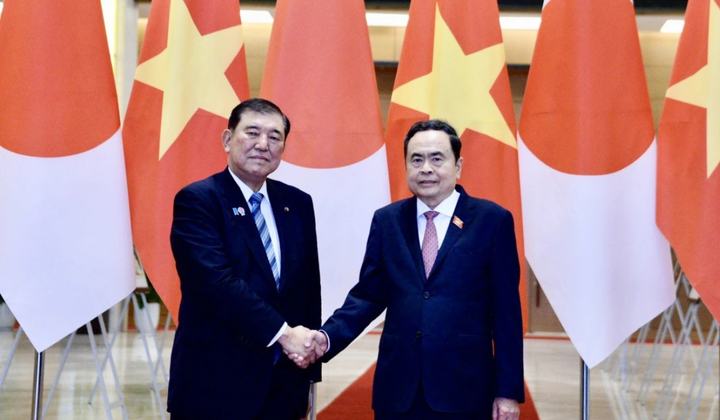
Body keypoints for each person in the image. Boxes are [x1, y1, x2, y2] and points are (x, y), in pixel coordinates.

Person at [299, 120, 524, 420]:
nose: (426, 169)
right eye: (416, 160)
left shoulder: (491, 221)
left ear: (458, 166)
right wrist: (326, 338)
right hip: (398, 389)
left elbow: (507, 314)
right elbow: (367, 296)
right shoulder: (388, 220)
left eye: (437, 158)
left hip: (465, 388)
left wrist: (508, 391)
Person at [167, 98, 321, 420]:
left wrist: (307, 374)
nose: (263, 144)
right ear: (227, 139)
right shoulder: (199, 201)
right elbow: (215, 284)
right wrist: (285, 335)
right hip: (215, 385)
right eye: (252, 133)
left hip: (283, 386)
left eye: (274, 137)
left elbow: (308, 293)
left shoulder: (297, 203)